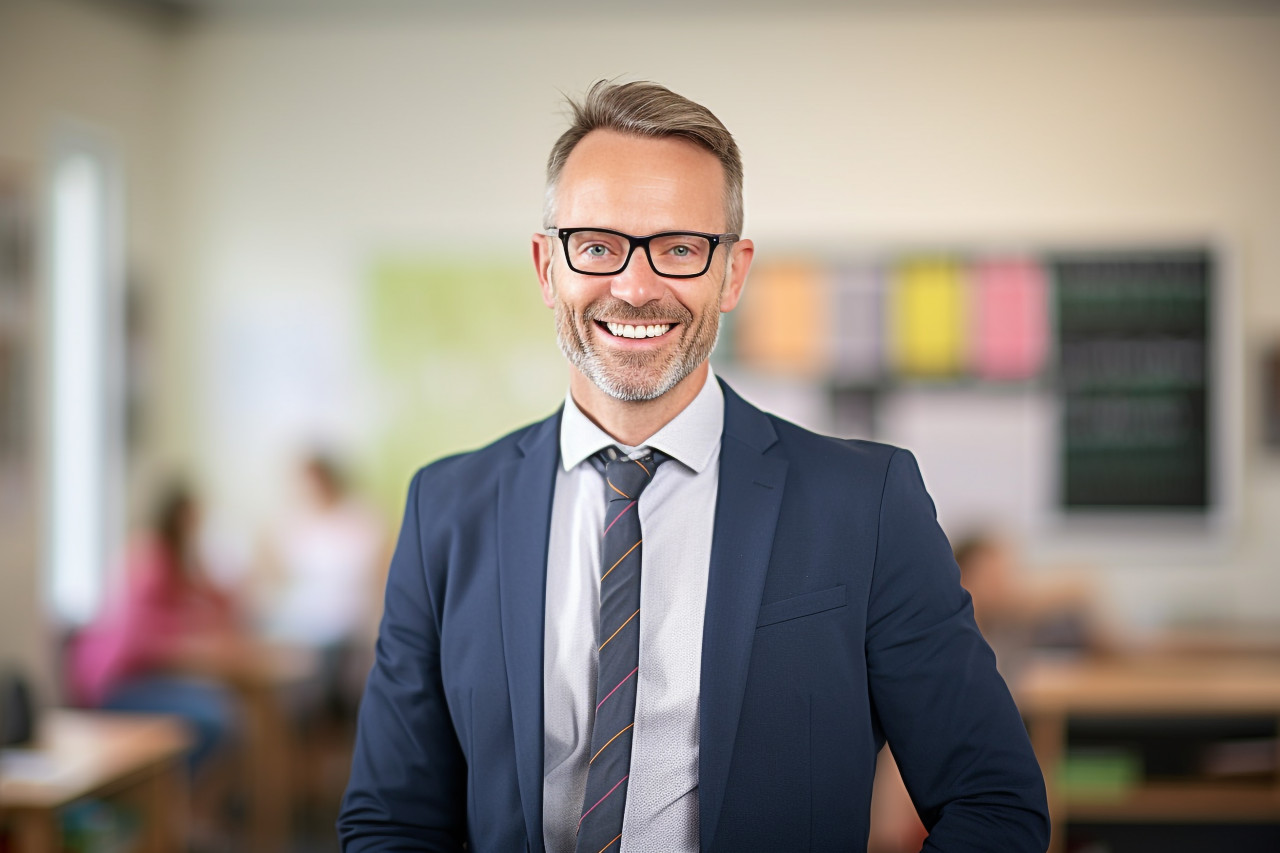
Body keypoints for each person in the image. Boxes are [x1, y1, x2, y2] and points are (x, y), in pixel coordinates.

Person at [339, 81, 1049, 852]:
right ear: (548, 268)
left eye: (679, 247)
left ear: (733, 272)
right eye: (598, 245)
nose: (636, 286)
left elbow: (994, 804)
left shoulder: (866, 505)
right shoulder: (446, 508)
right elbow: (392, 821)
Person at [69, 481, 241, 772]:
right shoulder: (151, 557)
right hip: (115, 683)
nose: (198, 524)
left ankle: (176, 801)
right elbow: (136, 633)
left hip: (143, 675)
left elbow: (218, 604)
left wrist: (202, 571)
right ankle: (170, 799)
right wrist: (188, 629)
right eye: (194, 516)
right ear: (177, 515)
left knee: (225, 710)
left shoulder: (175, 559)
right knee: (215, 718)